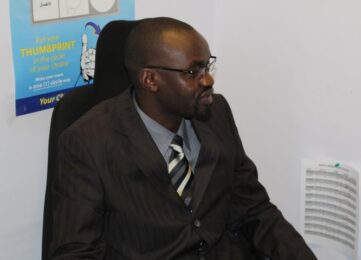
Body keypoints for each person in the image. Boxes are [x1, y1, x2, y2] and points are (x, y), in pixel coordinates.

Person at [50, 17, 317, 259]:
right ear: (150, 79)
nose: (208, 79)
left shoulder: (216, 113)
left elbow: (254, 209)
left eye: (208, 65)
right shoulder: (88, 142)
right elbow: (75, 253)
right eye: (194, 72)